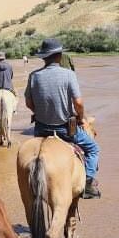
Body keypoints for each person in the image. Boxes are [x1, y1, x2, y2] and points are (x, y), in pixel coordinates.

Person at [23, 38, 101, 199]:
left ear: (44, 57)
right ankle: (87, 184)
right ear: (59, 56)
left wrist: (39, 112)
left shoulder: (34, 76)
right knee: (93, 149)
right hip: (64, 129)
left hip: (41, 129)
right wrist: (80, 118)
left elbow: (28, 102)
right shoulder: (68, 74)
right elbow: (78, 103)